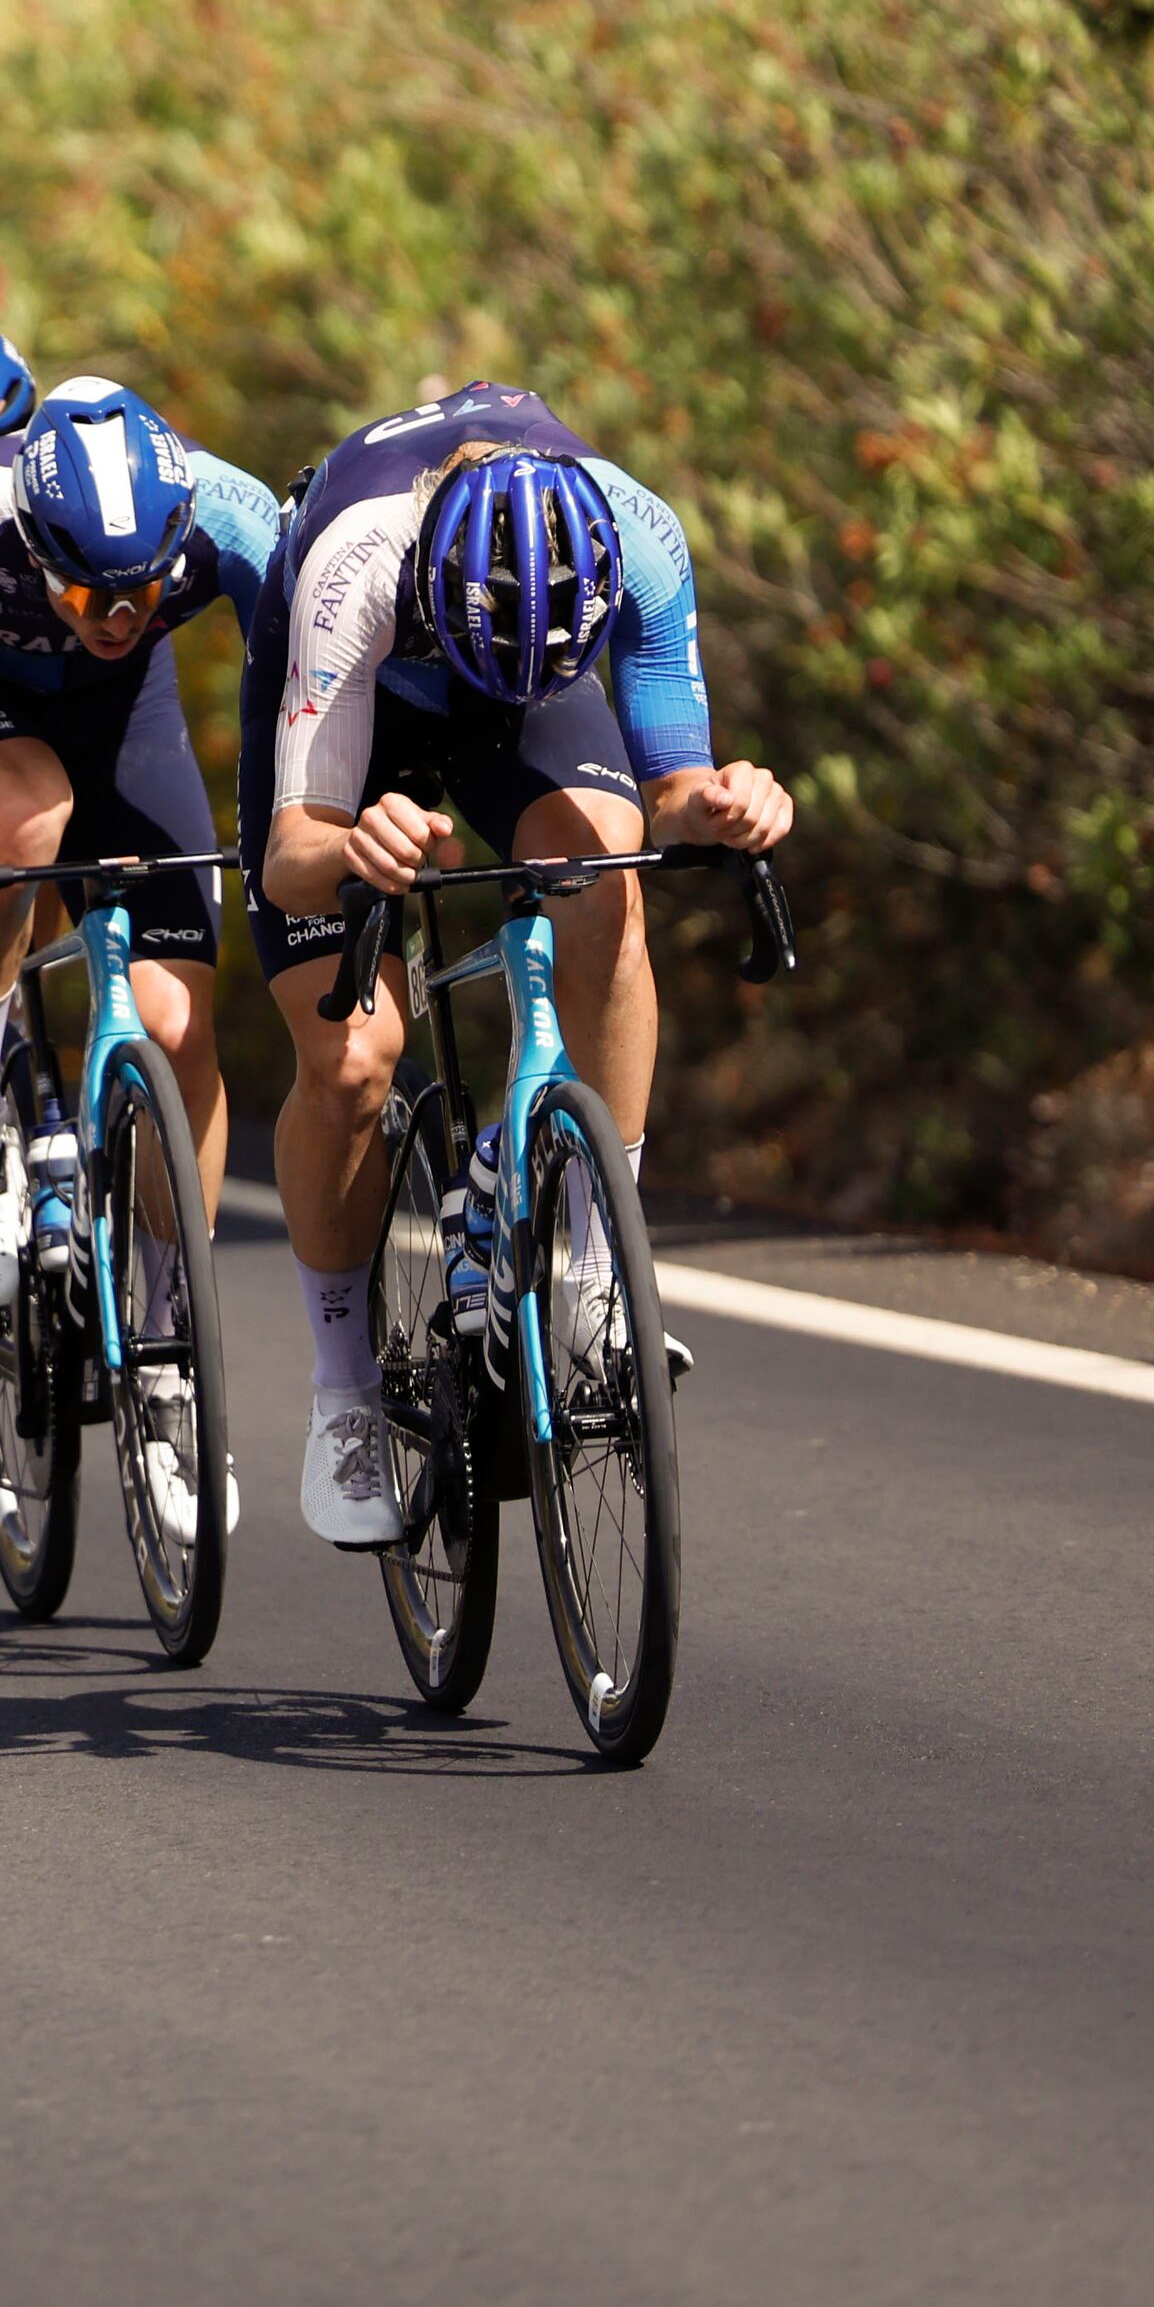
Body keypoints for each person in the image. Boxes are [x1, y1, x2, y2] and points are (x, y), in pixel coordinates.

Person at [240, 381, 795, 1546]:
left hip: (523, 678)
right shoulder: (355, 561)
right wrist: (350, 839)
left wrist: (730, 802)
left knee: (606, 887)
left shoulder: (633, 539)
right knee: (350, 1060)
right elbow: (290, 860)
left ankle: (593, 1269)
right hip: (368, 694)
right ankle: (342, 1390)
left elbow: (673, 789)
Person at [0, 366, 276, 1389]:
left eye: (144, 587)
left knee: (177, 1029)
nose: (119, 611)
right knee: (25, 819)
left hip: (129, 721)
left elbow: (311, 703)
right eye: (90, 591)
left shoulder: (233, 517)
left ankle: (170, 1321)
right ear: (35, 544)